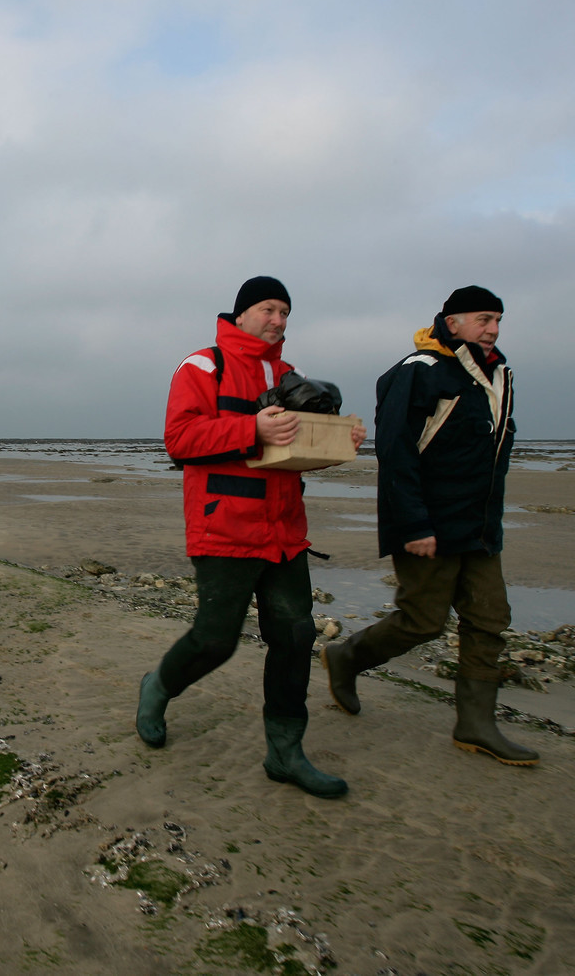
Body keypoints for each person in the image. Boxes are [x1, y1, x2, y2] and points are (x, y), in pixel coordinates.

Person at [135, 276, 367, 798]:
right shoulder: (203, 365)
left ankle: (285, 753)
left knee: (295, 639)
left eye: (285, 312)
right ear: (240, 314)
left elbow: (299, 452)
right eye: (268, 309)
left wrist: (340, 442)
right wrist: (251, 429)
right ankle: (158, 687)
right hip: (224, 527)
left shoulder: (290, 375)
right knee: (215, 641)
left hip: (285, 533)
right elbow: (179, 440)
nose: (278, 321)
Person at [321, 285, 539, 766]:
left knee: (489, 619)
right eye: (483, 319)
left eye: (498, 320)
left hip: (480, 528)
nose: (493, 329)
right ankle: (346, 657)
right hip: (429, 524)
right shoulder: (418, 371)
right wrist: (414, 524)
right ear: (452, 322)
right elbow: (395, 453)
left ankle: (476, 725)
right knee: (423, 621)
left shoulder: (498, 374)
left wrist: (491, 523)